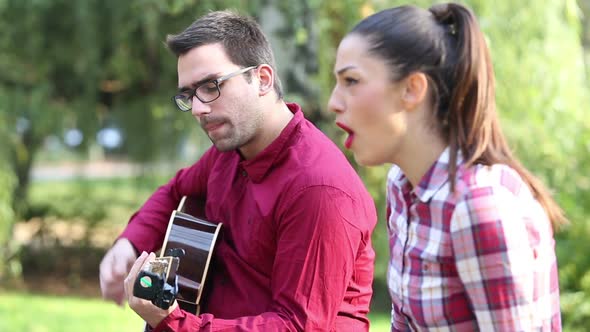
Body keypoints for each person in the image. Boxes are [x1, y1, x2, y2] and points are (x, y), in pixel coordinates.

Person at [98, 10, 377, 332]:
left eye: (211, 86)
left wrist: (173, 322)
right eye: (189, 94)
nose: (199, 108)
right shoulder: (229, 151)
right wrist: (129, 244)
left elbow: (296, 326)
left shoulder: (319, 189)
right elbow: (176, 191)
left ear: (262, 79)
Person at [328, 2, 565, 331]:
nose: (333, 102)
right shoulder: (402, 186)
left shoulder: (480, 207)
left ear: (412, 89)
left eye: (351, 81)